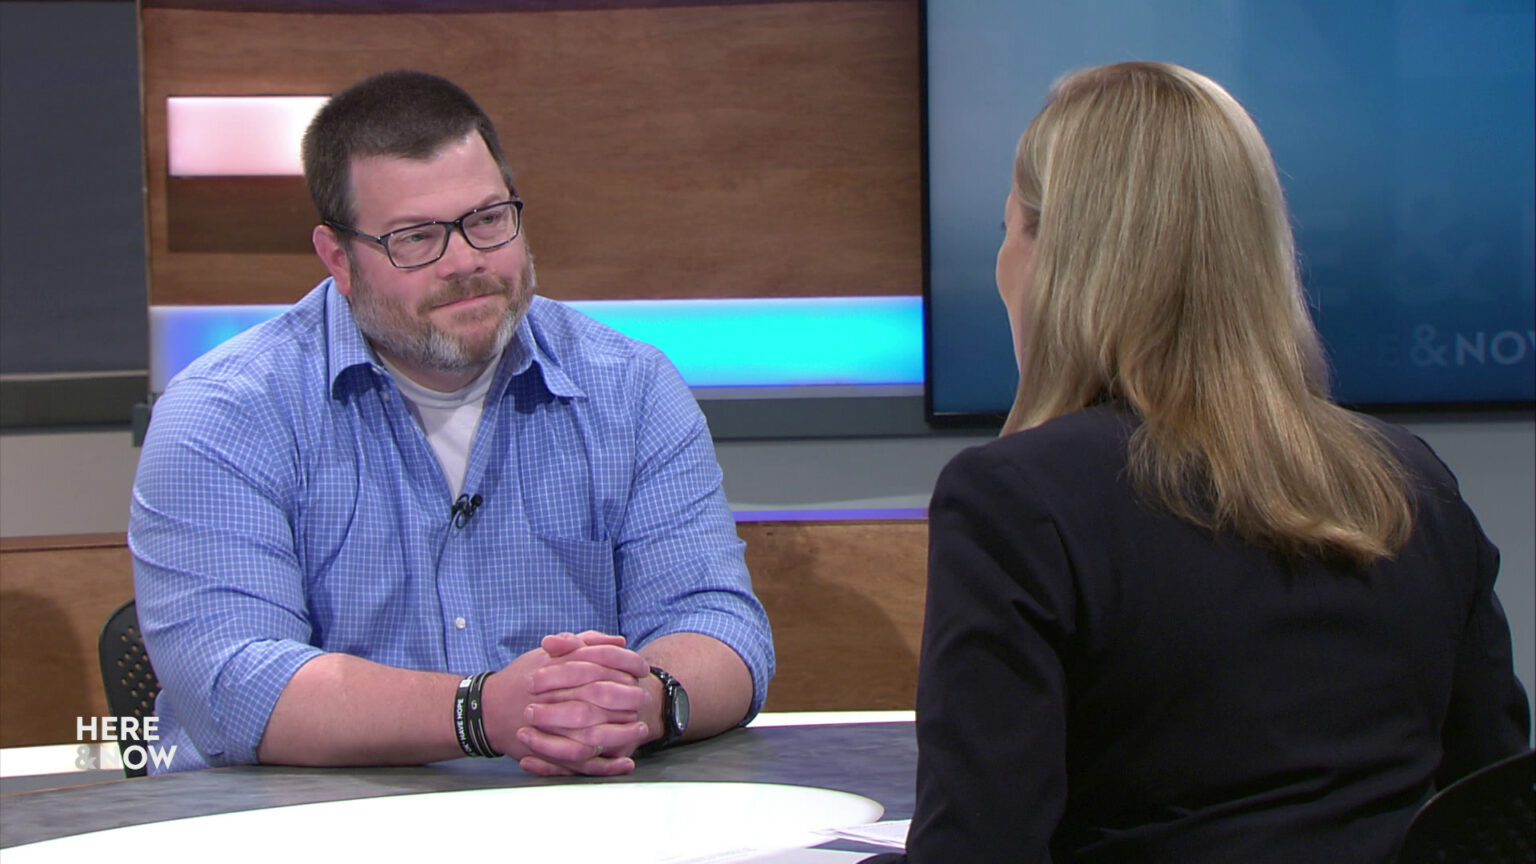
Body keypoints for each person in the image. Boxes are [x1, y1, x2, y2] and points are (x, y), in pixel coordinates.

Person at [867, 62, 1530, 863]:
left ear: (1056, 258)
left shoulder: (1015, 499)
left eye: (1008, 230)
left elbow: (978, 844)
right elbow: (1494, 812)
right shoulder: (1411, 481)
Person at [130, 70, 773, 777]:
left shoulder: (631, 389)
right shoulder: (223, 414)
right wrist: (486, 710)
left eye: (488, 220)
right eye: (416, 238)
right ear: (339, 258)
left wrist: (643, 701)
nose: (467, 261)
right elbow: (234, 684)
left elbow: (720, 627)